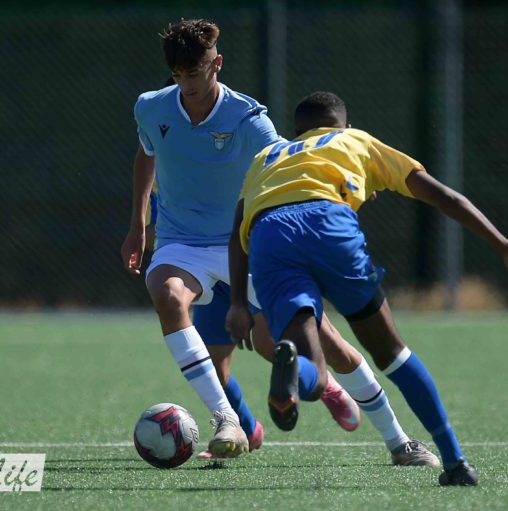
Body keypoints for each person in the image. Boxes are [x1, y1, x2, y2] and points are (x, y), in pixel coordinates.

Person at [227, 91, 508, 485]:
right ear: (343, 125)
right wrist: (506, 248)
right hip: (328, 223)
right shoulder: (356, 139)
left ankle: (294, 372)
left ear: (297, 133)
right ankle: (455, 463)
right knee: (392, 352)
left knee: (314, 373)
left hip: (269, 235)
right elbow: (444, 196)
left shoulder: (267, 156)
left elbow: (236, 232)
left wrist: (238, 303)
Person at [121, 19, 362, 459]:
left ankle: (332, 389)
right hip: (184, 245)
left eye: (194, 72)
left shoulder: (248, 118)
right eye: (178, 75)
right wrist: (138, 224)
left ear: (217, 64)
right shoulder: (151, 108)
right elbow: (146, 153)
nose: (186, 84)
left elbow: (284, 165)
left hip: (245, 245)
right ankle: (235, 425)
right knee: (193, 331)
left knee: (291, 345)